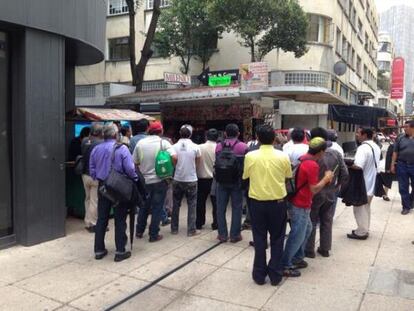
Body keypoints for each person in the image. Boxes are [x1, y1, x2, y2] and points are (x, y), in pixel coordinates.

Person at [243, 125, 292, 286]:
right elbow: (287, 177)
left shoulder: (250, 156)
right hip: (278, 203)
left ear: (257, 137)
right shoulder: (282, 156)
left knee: (259, 238)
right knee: (277, 239)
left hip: (257, 203)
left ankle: (259, 274)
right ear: (274, 139)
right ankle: (275, 275)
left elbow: (246, 177)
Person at [281, 137, 334, 277]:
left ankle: (297, 258)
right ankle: (285, 264)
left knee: (308, 229)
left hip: (298, 201)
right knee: (297, 234)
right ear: (321, 151)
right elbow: (314, 189)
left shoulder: (303, 158)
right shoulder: (312, 165)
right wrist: (326, 178)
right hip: (301, 203)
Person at [89, 123, 138, 262]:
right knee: (120, 219)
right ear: (116, 135)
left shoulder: (96, 149)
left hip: (102, 188)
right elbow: (130, 169)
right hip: (118, 189)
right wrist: (134, 179)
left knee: (102, 219)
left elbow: (92, 170)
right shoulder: (122, 149)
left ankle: (99, 250)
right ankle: (120, 251)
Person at [305, 128, 348, 258]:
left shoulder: (311, 155)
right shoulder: (336, 154)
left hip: (314, 192)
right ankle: (325, 249)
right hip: (330, 193)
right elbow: (345, 173)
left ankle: (309, 250)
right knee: (327, 220)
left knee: (311, 220)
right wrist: (338, 186)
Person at [133, 121, 172, 242]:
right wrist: (170, 170)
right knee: (157, 207)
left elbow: (135, 161)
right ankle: (153, 234)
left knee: (144, 206)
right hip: (160, 180)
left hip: (144, 181)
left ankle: (139, 231)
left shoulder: (140, 143)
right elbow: (175, 157)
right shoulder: (163, 143)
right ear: (161, 131)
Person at [215, 123, 249, 243]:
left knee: (220, 208)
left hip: (221, 181)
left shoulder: (218, 146)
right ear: (238, 133)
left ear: (225, 133)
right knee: (237, 208)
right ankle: (235, 235)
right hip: (237, 182)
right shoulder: (243, 147)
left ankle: (222, 235)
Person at [347, 127, 380, 240]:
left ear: (364, 135)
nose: (357, 135)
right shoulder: (375, 146)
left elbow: (358, 166)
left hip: (363, 183)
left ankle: (361, 232)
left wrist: (346, 164)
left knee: (359, 208)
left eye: (358, 133)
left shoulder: (363, 148)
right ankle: (365, 229)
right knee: (366, 208)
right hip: (372, 182)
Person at [170, 125, 201, 236]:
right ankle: (191, 230)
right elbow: (198, 161)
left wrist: (176, 166)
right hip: (191, 178)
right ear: (191, 134)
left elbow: (173, 158)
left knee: (176, 204)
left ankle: (174, 228)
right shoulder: (196, 147)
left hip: (178, 178)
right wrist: (193, 169)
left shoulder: (174, 146)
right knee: (192, 204)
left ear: (180, 133)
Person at [81, 122, 104, 233]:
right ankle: (93, 224)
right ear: (100, 132)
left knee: (88, 199)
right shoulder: (101, 143)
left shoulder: (84, 141)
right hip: (95, 176)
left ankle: (87, 221)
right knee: (95, 201)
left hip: (84, 175)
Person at [196, 128, 219, 230]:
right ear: (217, 138)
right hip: (214, 179)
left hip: (201, 178)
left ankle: (199, 222)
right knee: (216, 203)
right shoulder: (219, 148)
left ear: (206, 136)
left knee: (200, 202)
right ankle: (216, 223)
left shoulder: (199, 147)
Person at [391, 120, 414, 215]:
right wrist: (392, 164)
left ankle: (410, 201)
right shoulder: (400, 138)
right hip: (402, 165)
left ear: (412, 127)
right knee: (403, 187)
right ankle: (406, 207)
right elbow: (395, 152)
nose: (404, 128)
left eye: (406, 127)